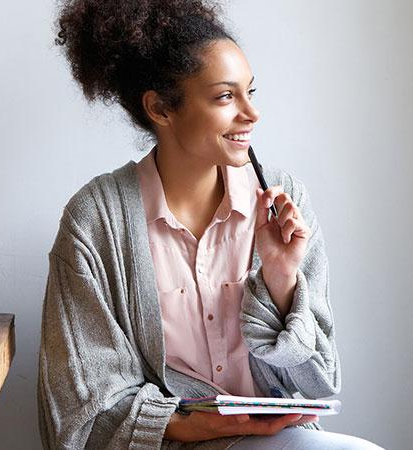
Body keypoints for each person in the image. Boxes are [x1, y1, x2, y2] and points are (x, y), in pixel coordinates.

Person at [38, 0, 383, 448]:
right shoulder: (96, 220)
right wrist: (192, 426)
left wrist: (280, 279)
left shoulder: (283, 200)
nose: (251, 113)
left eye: (250, 92)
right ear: (161, 109)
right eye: (225, 96)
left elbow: (319, 379)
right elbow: (82, 407)